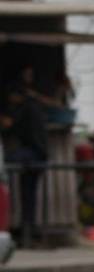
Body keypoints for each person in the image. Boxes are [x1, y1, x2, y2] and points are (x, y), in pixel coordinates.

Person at [0, 82, 48, 248]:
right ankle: (28, 232)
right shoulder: (32, 106)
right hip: (39, 155)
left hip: (33, 154)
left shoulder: (25, 108)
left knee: (26, 193)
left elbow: (9, 125)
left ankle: (27, 233)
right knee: (28, 195)